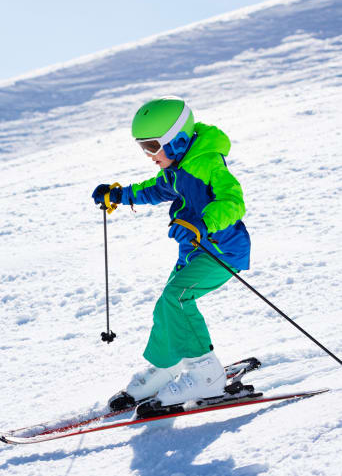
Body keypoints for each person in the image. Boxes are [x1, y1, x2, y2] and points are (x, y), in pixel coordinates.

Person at [92, 96, 251, 412]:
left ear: (177, 141)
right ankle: (169, 367)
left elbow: (233, 201)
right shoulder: (176, 168)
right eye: (143, 148)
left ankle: (208, 376)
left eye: (152, 146)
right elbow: (155, 189)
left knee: (176, 300)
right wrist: (119, 194)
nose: (149, 155)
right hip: (194, 251)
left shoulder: (207, 163)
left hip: (221, 251)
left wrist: (202, 222)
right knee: (166, 305)